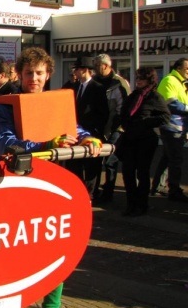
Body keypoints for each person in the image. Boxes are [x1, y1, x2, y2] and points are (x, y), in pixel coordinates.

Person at [0, 47, 102, 308]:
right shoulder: (3, 105)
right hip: (13, 190)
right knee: (11, 259)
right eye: (29, 73)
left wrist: (87, 138)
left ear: (48, 74)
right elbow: (5, 140)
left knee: (56, 254)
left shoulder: (55, 103)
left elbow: (72, 129)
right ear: (19, 74)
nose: (34, 78)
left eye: (40, 73)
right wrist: (47, 142)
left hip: (49, 190)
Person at [116, 67, 170, 216]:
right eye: (137, 78)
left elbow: (165, 117)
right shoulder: (133, 95)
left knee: (142, 172)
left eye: (142, 79)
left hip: (145, 139)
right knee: (128, 171)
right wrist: (125, 123)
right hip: (130, 138)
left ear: (149, 80)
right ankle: (131, 203)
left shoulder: (155, 97)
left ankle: (141, 204)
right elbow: (124, 112)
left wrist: (145, 122)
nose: (138, 81)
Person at [67, 57, 109, 200]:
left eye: (77, 69)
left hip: (91, 133)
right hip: (75, 134)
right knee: (74, 165)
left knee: (91, 167)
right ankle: (77, 194)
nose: (75, 72)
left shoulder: (97, 88)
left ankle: (90, 195)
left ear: (85, 70)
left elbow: (103, 113)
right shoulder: (74, 87)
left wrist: (96, 132)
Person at [92, 54, 129, 202]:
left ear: (106, 66)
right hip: (97, 128)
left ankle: (108, 193)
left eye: (97, 66)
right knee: (95, 160)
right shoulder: (94, 81)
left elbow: (123, 108)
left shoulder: (119, 83)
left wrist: (116, 128)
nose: (95, 68)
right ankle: (94, 191)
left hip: (114, 128)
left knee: (110, 162)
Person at [156, 57, 188, 202]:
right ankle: (174, 190)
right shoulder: (169, 81)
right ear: (178, 68)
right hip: (172, 127)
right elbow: (171, 103)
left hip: (178, 127)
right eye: (187, 68)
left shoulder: (181, 82)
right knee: (176, 159)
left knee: (168, 157)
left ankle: (158, 186)